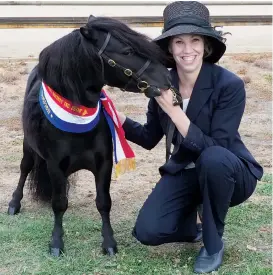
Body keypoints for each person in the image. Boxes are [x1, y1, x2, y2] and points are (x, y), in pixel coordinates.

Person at [117, 1, 263, 273]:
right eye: (179, 42)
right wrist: (119, 119)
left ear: (206, 46)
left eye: (195, 40)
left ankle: (213, 242)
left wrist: (175, 112)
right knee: (148, 231)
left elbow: (217, 147)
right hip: (188, 170)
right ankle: (191, 225)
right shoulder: (162, 85)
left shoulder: (229, 85)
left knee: (213, 158)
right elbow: (150, 137)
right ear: (170, 48)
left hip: (230, 171)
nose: (187, 50)